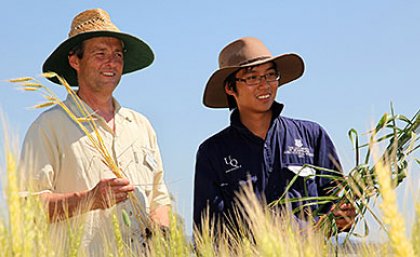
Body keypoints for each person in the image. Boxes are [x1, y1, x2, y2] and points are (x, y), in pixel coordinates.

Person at [20, 8, 171, 254]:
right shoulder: (49, 126)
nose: (111, 62)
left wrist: (160, 230)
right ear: (74, 60)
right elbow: (27, 206)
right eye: (100, 53)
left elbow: (159, 198)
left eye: (117, 54)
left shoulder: (141, 126)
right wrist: (88, 199)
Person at [193, 37, 355, 236]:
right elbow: (207, 232)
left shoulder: (313, 136)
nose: (265, 85)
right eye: (252, 77)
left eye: (270, 75)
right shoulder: (213, 152)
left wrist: (343, 217)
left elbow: (338, 206)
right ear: (230, 87)